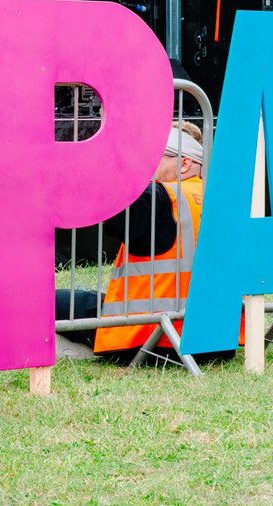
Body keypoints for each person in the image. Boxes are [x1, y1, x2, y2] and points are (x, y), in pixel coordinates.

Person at [55, 120, 213, 363]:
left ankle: (78, 353)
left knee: (46, 300)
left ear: (184, 164)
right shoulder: (217, 200)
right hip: (215, 339)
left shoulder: (160, 198)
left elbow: (101, 194)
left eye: (153, 158)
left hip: (150, 336)